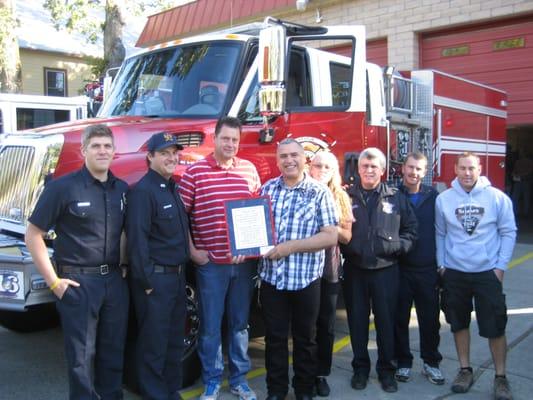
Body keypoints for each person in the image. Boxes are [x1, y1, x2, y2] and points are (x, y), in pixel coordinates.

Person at [25, 124, 129, 400]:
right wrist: (54, 283)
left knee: (113, 354)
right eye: (96, 146)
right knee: (81, 361)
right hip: (77, 284)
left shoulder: (122, 189)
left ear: (114, 151)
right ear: (84, 150)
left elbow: (123, 234)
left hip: (114, 283)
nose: (102, 151)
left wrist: (126, 268)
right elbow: (33, 234)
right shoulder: (62, 188)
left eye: (107, 146)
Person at [179, 116, 260, 400]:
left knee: (239, 325)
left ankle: (239, 380)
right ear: (214, 138)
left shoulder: (249, 170)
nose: (230, 144)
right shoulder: (195, 173)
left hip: (241, 264)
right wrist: (192, 251)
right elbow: (181, 217)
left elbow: (254, 213)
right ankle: (212, 381)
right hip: (211, 265)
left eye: (235, 140)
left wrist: (251, 248)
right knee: (210, 326)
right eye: (225, 138)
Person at [259, 139, 338, 400]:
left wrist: (291, 247)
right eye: (283, 156)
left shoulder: (318, 192)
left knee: (306, 340)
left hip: (305, 281)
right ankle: (276, 391)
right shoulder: (267, 189)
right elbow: (256, 230)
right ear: (277, 159)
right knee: (275, 339)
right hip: (273, 280)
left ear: (304, 159)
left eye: (294, 155)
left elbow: (330, 237)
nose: (289, 160)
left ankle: (303, 390)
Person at [436, 152, 516, 400]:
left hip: (486, 274)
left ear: (480, 169)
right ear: (456, 170)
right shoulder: (444, 200)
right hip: (455, 273)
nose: (467, 173)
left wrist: (500, 267)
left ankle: (500, 377)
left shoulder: (497, 198)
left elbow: (508, 232)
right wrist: (442, 265)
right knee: (458, 324)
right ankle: (464, 370)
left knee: (495, 327)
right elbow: (440, 233)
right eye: (463, 168)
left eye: (472, 168)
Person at [340, 147, 417, 394]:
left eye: (374, 166)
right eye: (365, 166)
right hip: (355, 271)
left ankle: (386, 371)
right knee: (358, 323)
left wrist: (397, 247)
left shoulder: (396, 197)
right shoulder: (347, 197)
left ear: (382, 170)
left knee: (386, 324)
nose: (369, 170)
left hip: (387, 271)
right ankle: (360, 369)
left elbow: (412, 230)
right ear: (358, 169)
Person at [126, 132, 190, 400]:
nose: (171, 157)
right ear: (150, 156)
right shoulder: (143, 192)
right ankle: (155, 395)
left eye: (174, 152)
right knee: (154, 346)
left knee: (175, 342)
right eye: (164, 153)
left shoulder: (172, 187)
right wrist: (146, 283)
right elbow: (137, 242)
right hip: (156, 282)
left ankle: (170, 392)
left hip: (176, 280)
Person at [394, 152, 444, 385]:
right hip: (399, 268)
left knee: (430, 320)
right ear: (403, 168)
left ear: (425, 173)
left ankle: (431, 363)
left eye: (419, 169)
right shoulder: (392, 195)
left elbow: (444, 231)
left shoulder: (434, 197)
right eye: (410, 167)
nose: (414, 173)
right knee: (399, 319)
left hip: (427, 269)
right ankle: (403, 363)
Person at [308, 151, 354, 397]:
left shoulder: (341, 197)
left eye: (328, 166)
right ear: (310, 167)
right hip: (303, 269)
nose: (322, 169)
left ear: (334, 170)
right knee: (306, 325)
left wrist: (327, 226)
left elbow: (346, 236)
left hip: (329, 269)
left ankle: (320, 374)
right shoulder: (301, 191)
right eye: (318, 165)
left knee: (325, 325)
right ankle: (305, 372)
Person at [511, 150, 532, 218]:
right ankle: (524, 213)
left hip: (520, 181)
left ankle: (515, 212)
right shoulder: (529, 162)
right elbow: (530, 172)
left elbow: (514, 171)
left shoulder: (518, 162)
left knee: (516, 197)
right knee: (525, 197)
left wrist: (516, 175)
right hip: (525, 181)